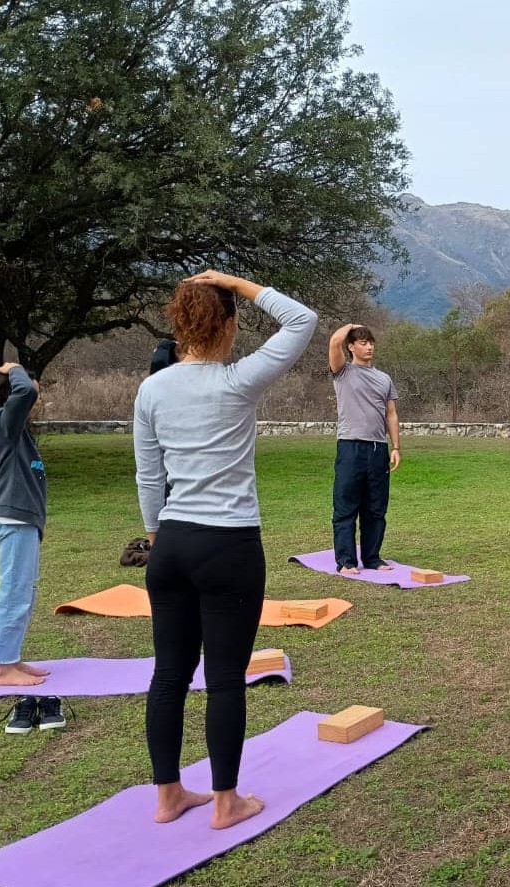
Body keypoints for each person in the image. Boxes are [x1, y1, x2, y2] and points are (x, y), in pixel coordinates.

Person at [134, 269, 316, 828]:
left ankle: (168, 797)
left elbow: (148, 477)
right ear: (230, 326)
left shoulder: (152, 388)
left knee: (169, 674)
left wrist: (159, 535)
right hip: (228, 546)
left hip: (170, 544)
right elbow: (301, 319)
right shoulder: (238, 380)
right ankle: (225, 802)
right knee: (225, 678)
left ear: (180, 323)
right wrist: (238, 283)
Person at [0, 364, 50, 689]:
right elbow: (26, 391)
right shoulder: (1, 425)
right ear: (10, 396)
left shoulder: (13, 431)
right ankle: (2, 670)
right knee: (14, 592)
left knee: (24, 592)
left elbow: (27, 393)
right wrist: (16, 368)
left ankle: (11, 658)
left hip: (23, 520)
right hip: (15, 519)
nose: (36, 401)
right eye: (32, 396)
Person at [327, 323, 400, 573]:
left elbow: (391, 414)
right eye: (363, 342)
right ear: (351, 347)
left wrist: (396, 446)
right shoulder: (343, 372)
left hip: (378, 449)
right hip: (350, 447)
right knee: (346, 506)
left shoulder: (384, 378)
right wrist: (350, 327)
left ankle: (372, 558)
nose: (369, 347)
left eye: (371, 343)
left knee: (376, 507)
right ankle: (346, 562)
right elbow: (333, 342)